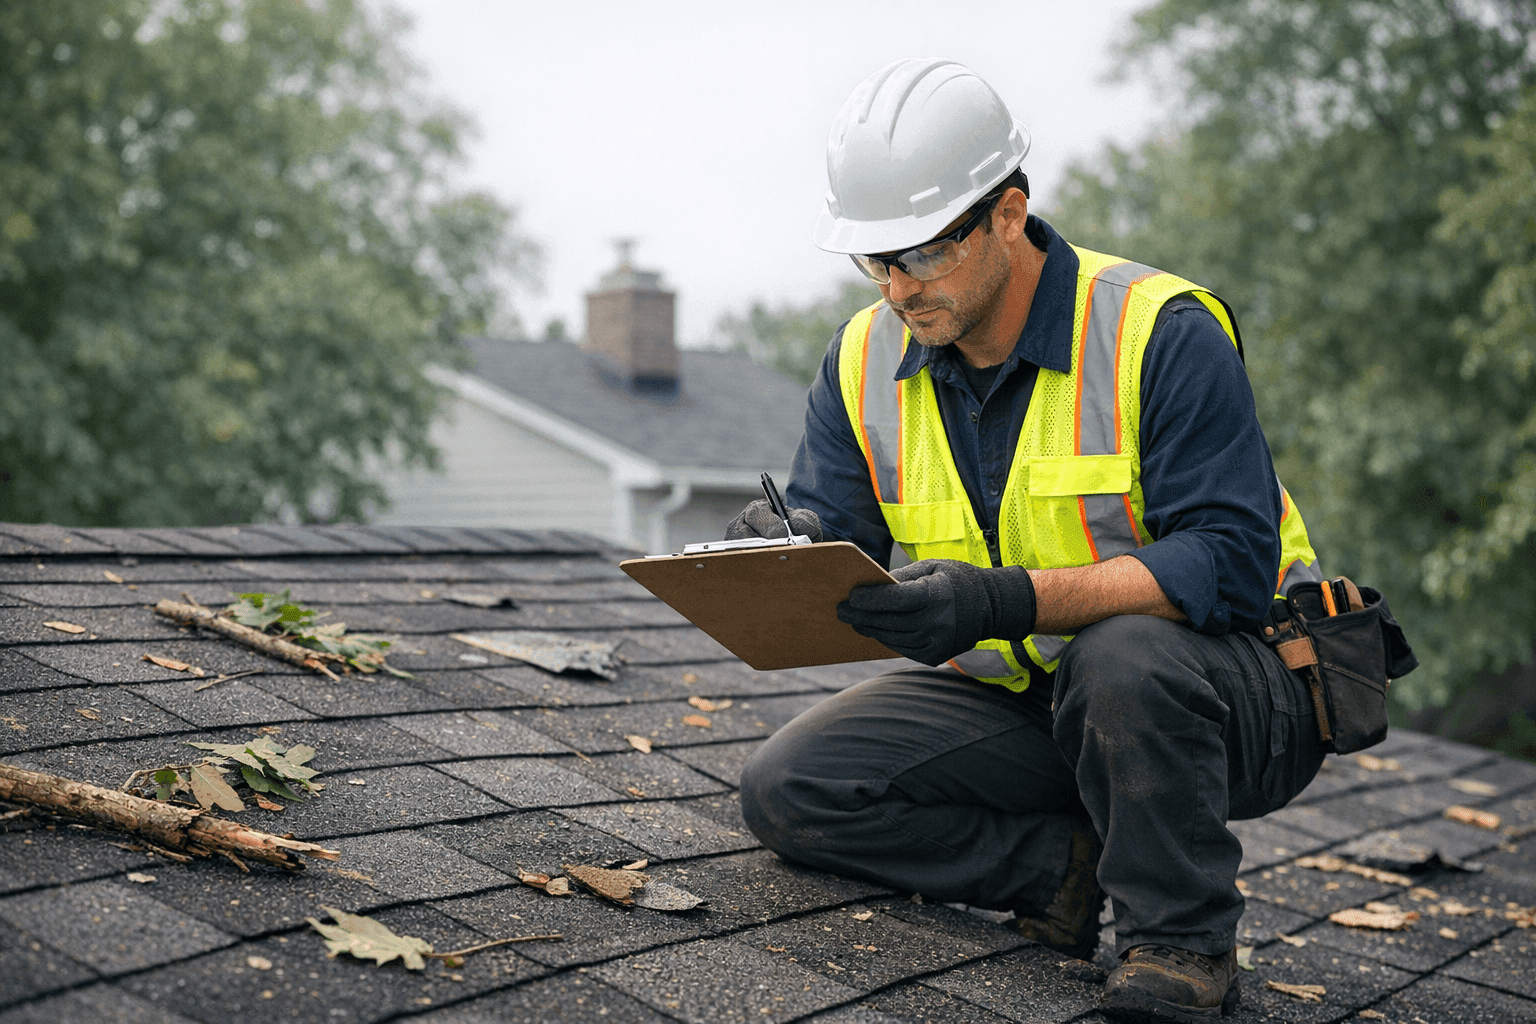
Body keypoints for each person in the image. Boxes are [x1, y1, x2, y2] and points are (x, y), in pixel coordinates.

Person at [726, 58, 1329, 1023]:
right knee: (791, 787)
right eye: (872, 261)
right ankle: (1064, 869)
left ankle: (1180, 943)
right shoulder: (860, 359)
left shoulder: (1160, 332)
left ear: (1008, 214)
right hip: (1033, 705)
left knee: (1124, 656)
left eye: (920, 254)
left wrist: (999, 599)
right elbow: (836, 532)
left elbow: (1231, 564)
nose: (895, 290)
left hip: (1234, 698)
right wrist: (780, 548)